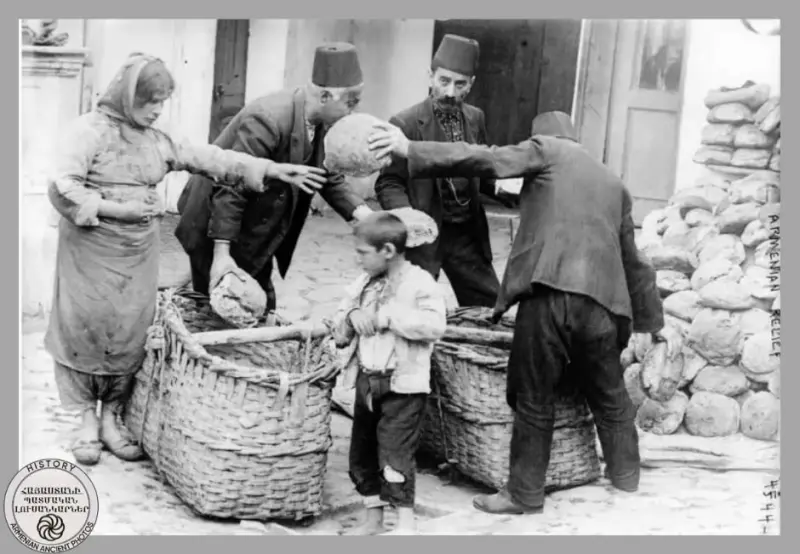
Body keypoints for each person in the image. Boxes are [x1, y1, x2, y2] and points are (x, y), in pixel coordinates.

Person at [367, 110, 680, 515]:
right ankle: (626, 476)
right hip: (603, 304)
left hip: (549, 290)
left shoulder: (545, 150)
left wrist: (409, 148)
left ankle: (524, 494)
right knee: (609, 392)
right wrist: (652, 322)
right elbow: (635, 262)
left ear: (540, 140)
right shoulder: (613, 183)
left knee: (533, 394)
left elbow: (486, 159)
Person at [45, 53, 325, 467]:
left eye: (162, 101)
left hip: (137, 254)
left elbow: (210, 158)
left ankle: (113, 419)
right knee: (83, 328)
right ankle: (86, 418)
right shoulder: (87, 133)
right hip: (89, 253)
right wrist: (116, 209)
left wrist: (269, 168)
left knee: (129, 330)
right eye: (149, 101)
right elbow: (61, 186)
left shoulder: (158, 138)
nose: (157, 110)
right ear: (127, 96)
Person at [175, 43, 374, 312]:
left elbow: (327, 177)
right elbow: (231, 189)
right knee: (219, 309)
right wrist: (222, 256)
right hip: (214, 223)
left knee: (260, 306)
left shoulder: (323, 124)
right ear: (326, 96)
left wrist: (365, 217)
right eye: (351, 103)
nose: (353, 112)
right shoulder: (268, 118)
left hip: (258, 228)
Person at [329, 212, 447, 535]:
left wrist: (387, 317)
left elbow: (435, 324)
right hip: (368, 383)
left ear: (388, 251)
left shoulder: (419, 283)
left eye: (363, 254)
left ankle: (405, 524)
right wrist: (352, 315)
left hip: (403, 387)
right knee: (362, 454)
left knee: (395, 454)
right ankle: (373, 518)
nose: (359, 261)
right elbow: (339, 319)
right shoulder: (363, 284)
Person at [374, 34, 500, 308]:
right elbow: (389, 183)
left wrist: (508, 186)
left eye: (460, 84)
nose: (450, 92)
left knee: (490, 310)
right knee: (411, 309)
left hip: (467, 235)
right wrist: (407, 218)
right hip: (425, 235)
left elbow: (482, 173)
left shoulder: (476, 118)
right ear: (430, 77)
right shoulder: (405, 123)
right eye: (443, 81)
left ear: (472, 84)